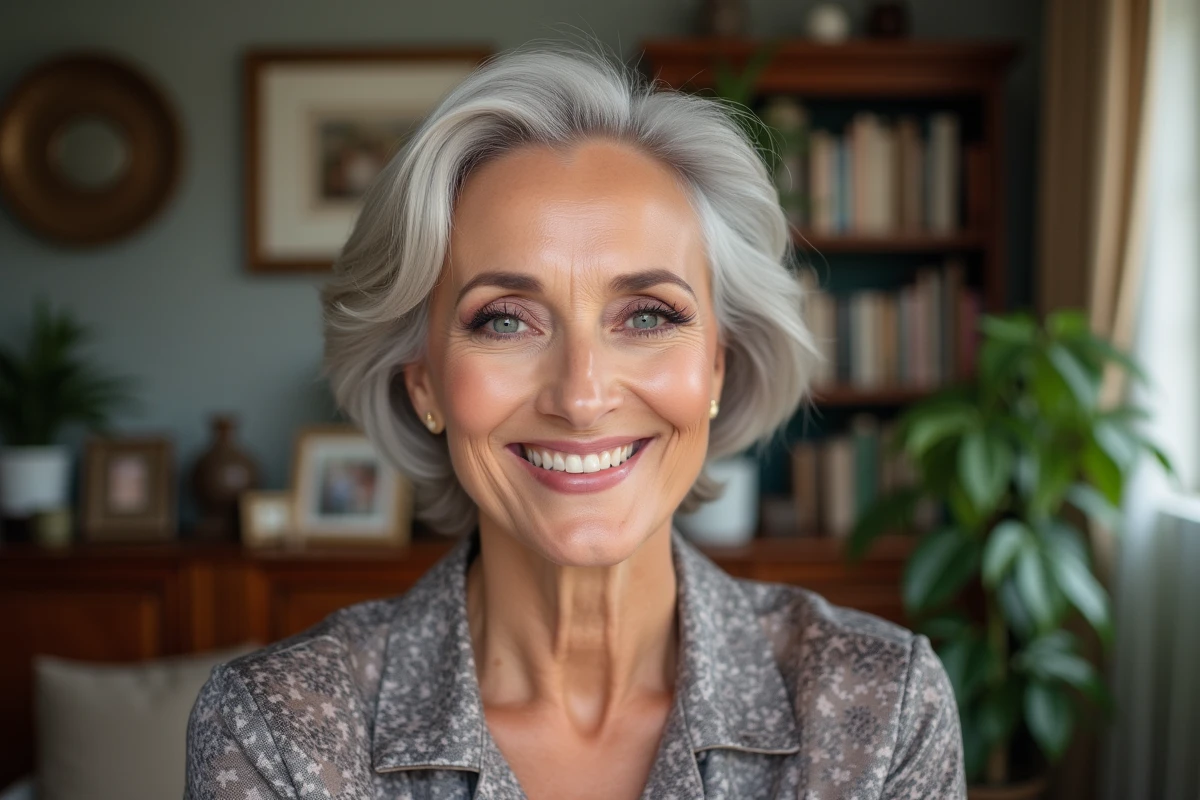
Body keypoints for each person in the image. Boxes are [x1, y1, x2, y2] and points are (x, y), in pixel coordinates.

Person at [185, 40, 965, 800]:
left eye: (649, 315)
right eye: (504, 320)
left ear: (718, 364)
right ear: (422, 383)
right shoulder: (280, 727)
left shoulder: (880, 707)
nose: (582, 396)